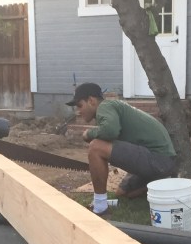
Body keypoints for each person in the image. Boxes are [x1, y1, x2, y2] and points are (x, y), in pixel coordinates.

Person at [67, 82, 177, 216]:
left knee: (96, 147)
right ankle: (161, 183)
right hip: (161, 162)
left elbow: (110, 131)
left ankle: (100, 207)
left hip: (157, 159)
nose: (78, 111)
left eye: (79, 105)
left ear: (91, 101)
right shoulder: (112, 108)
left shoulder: (105, 106)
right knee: (123, 193)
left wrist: (88, 134)